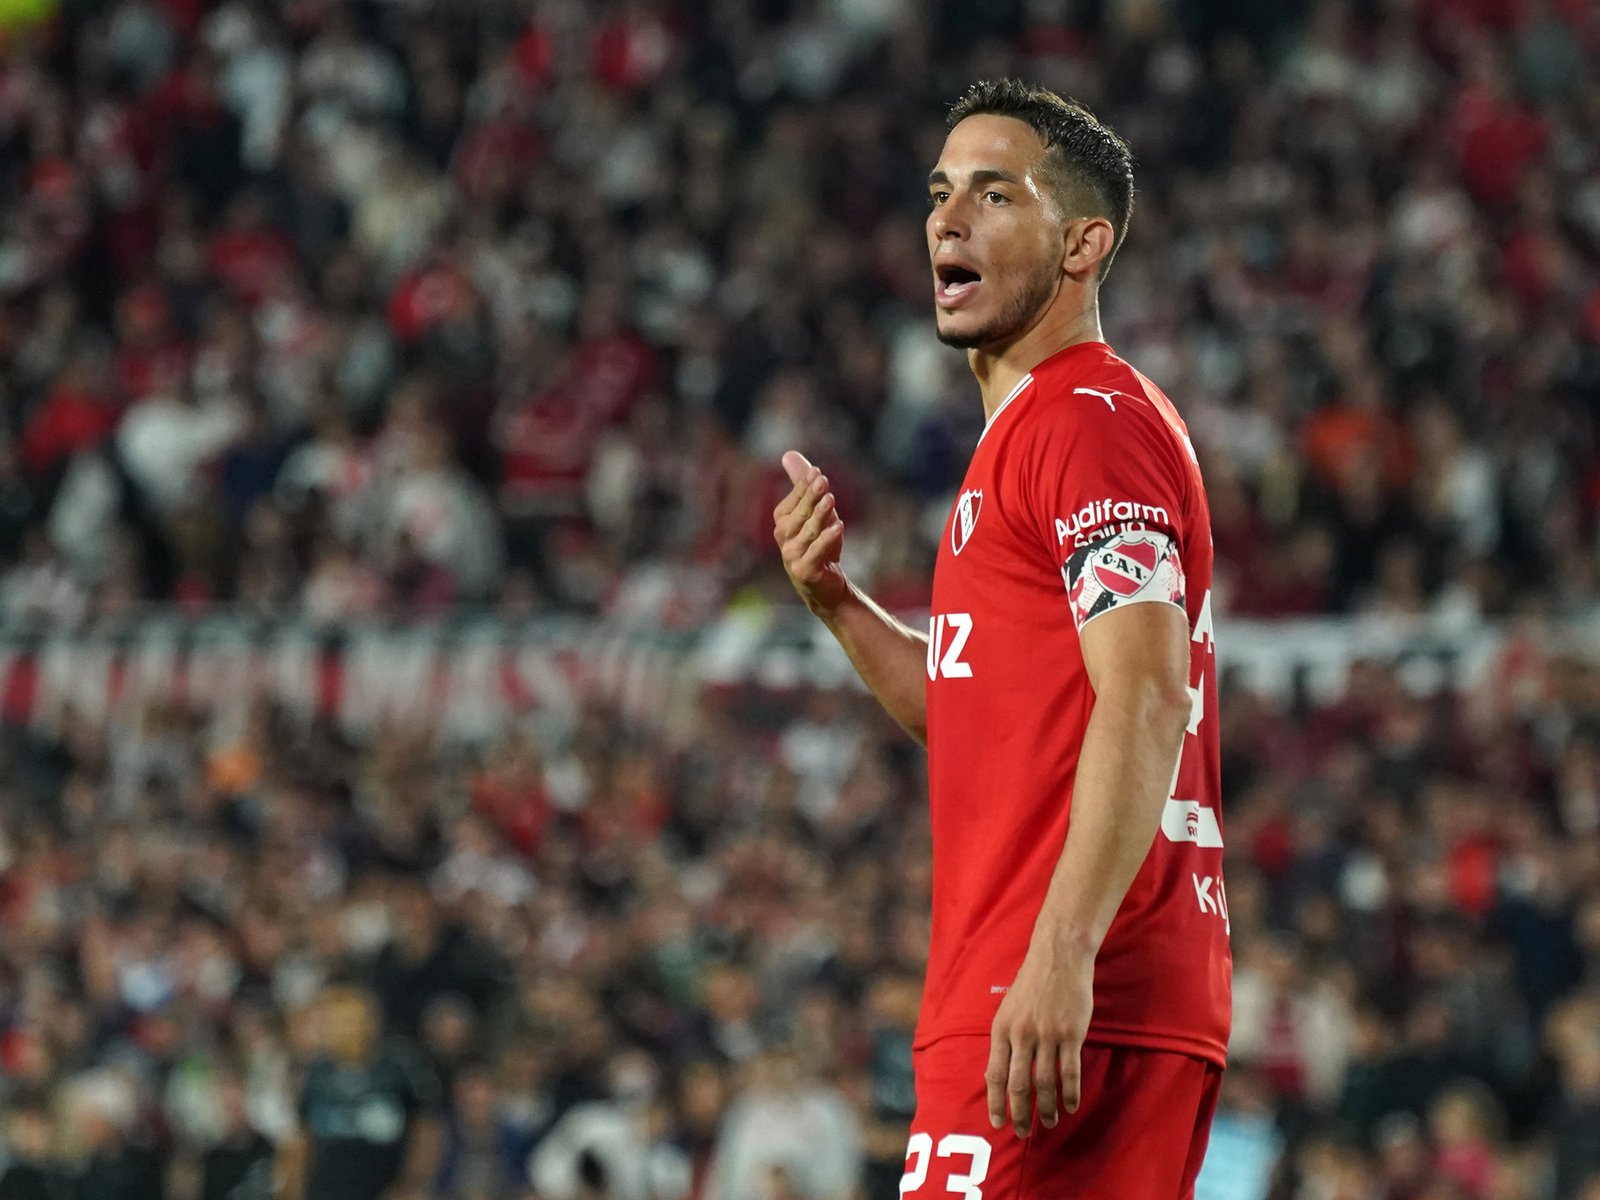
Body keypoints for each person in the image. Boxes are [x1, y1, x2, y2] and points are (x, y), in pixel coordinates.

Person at [773, 79, 1229, 1198]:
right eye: (939, 193)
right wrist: (837, 603)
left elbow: (1146, 694)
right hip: (1036, 989)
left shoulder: (1086, 422)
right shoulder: (1028, 438)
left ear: (1083, 244)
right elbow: (976, 720)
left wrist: (1061, 952)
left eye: (993, 193)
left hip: (1065, 992)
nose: (947, 219)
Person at [275, 985, 443, 1200]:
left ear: (372, 1023)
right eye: (335, 1022)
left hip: (386, 1189)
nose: (343, 1030)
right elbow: (302, 1140)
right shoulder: (316, 1075)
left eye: (350, 1021)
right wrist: (292, 1191)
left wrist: (411, 1184)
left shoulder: (397, 1068)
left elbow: (426, 1130)